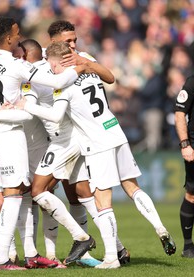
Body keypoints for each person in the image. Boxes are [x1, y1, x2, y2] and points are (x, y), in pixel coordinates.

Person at [17, 41, 176, 268]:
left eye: (52, 67)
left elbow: (56, 114)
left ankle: (112, 256)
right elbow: (109, 77)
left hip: (97, 140)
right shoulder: (90, 71)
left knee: (101, 199)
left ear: (56, 63)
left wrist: (26, 105)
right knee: (132, 186)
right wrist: (87, 63)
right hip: (116, 131)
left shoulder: (65, 84)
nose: (51, 71)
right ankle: (158, 226)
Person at [0, 17, 96, 270]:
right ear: (8, 38)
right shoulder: (16, 64)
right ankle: (2, 260)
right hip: (9, 132)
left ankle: (30, 254)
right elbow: (58, 82)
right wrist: (80, 67)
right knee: (13, 194)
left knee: (20, 192)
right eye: (17, 34)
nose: (19, 37)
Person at [175, 75, 194, 258]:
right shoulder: (192, 81)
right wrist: (185, 144)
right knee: (192, 194)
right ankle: (188, 246)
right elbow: (180, 113)